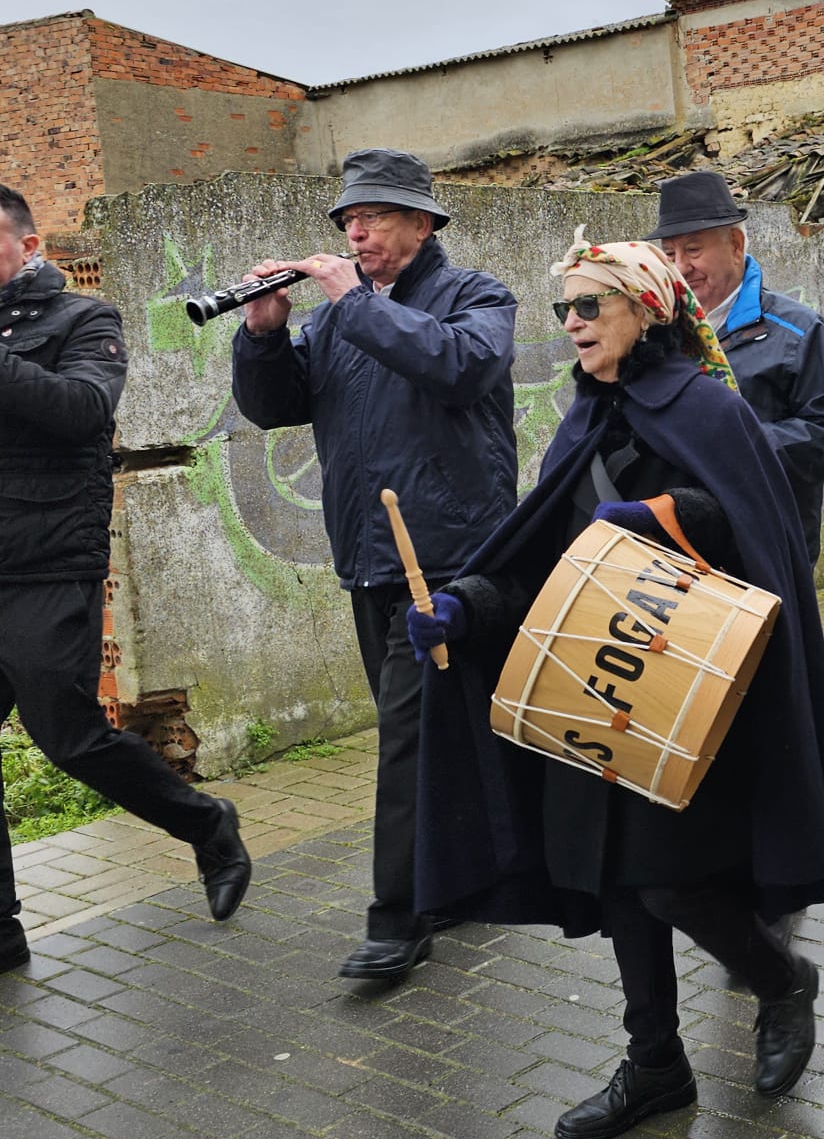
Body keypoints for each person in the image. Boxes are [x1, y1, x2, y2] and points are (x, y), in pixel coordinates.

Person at [406, 230, 824, 1139]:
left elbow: (753, 529)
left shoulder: (708, 410)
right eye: (564, 309)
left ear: (644, 310)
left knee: (671, 879)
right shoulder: (580, 423)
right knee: (614, 883)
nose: (572, 323)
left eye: (589, 306)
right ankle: (655, 1064)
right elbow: (545, 564)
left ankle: (780, 981)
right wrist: (467, 606)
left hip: (686, 694)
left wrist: (661, 517)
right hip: (593, 687)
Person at [231, 148, 518, 981]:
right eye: (349, 220)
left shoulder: (476, 297)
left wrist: (351, 300)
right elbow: (275, 407)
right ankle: (470, 878)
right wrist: (265, 332)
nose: (356, 230)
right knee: (445, 735)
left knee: (405, 740)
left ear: (423, 224)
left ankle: (399, 917)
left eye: (376, 216)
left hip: (450, 561)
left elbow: (458, 369)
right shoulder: (330, 320)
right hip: (368, 555)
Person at [0, 185, 251, 971]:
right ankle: (3, 930)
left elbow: (80, 410)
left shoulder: (85, 319)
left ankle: (207, 824)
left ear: (29, 246)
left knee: (66, 733)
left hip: (47, 556)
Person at [646, 171, 824, 563]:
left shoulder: (796, 329)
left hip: (766, 548)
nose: (680, 268)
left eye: (693, 250)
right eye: (670, 254)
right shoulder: (654, 333)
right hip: (676, 549)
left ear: (736, 245)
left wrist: (742, 444)